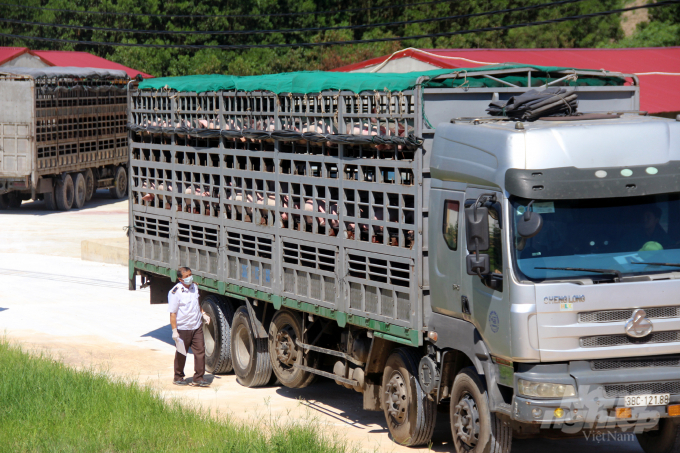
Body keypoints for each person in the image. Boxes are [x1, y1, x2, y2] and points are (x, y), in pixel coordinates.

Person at [168, 266, 211, 387]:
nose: (189, 278)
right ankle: (178, 376)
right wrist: (174, 331)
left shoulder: (194, 287)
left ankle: (198, 377)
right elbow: (173, 313)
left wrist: (203, 313)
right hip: (183, 328)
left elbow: (197, 303)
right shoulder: (175, 292)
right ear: (180, 279)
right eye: (186, 277)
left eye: (190, 275)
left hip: (196, 326)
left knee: (200, 351)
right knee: (182, 353)